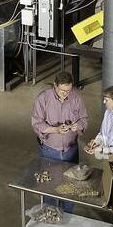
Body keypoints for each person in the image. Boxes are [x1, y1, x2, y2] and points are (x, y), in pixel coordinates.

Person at [32, 71, 88, 213]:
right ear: (55, 85)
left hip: (71, 150)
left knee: (70, 185)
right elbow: (36, 123)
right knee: (49, 184)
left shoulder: (76, 97)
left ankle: (67, 214)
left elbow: (84, 118)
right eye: (62, 90)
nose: (65, 94)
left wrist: (79, 126)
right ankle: (50, 213)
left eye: (68, 90)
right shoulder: (43, 98)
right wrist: (55, 130)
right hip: (50, 150)